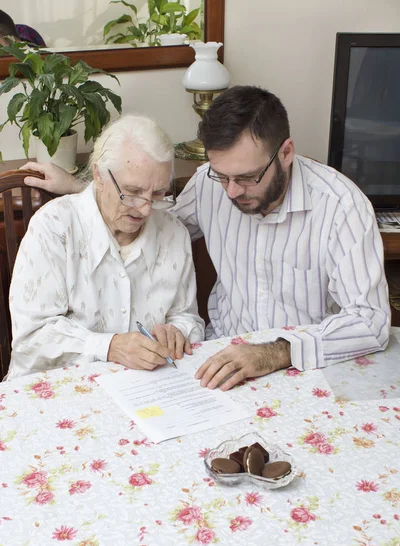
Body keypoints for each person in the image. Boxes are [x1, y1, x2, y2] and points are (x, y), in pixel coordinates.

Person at [21, 86, 391, 391]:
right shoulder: (207, 187)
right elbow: (147, 216)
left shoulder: (340, 206)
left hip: (303, 367)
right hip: (218, 364)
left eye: (246, 178)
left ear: (286, 153)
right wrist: (81, 189)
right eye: (221, 175)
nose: (231, 192)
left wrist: (273, 353)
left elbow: (371, 321)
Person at [7, 115, 204, 379]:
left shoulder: (173, 233)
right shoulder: (54, 227)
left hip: (142, 390)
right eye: (132, 192)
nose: (145, 209)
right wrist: (110, 346)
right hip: (57, 391)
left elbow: (187, 317)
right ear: (99, 175)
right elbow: (31, 339)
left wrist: (177, 332)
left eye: (158, 194)